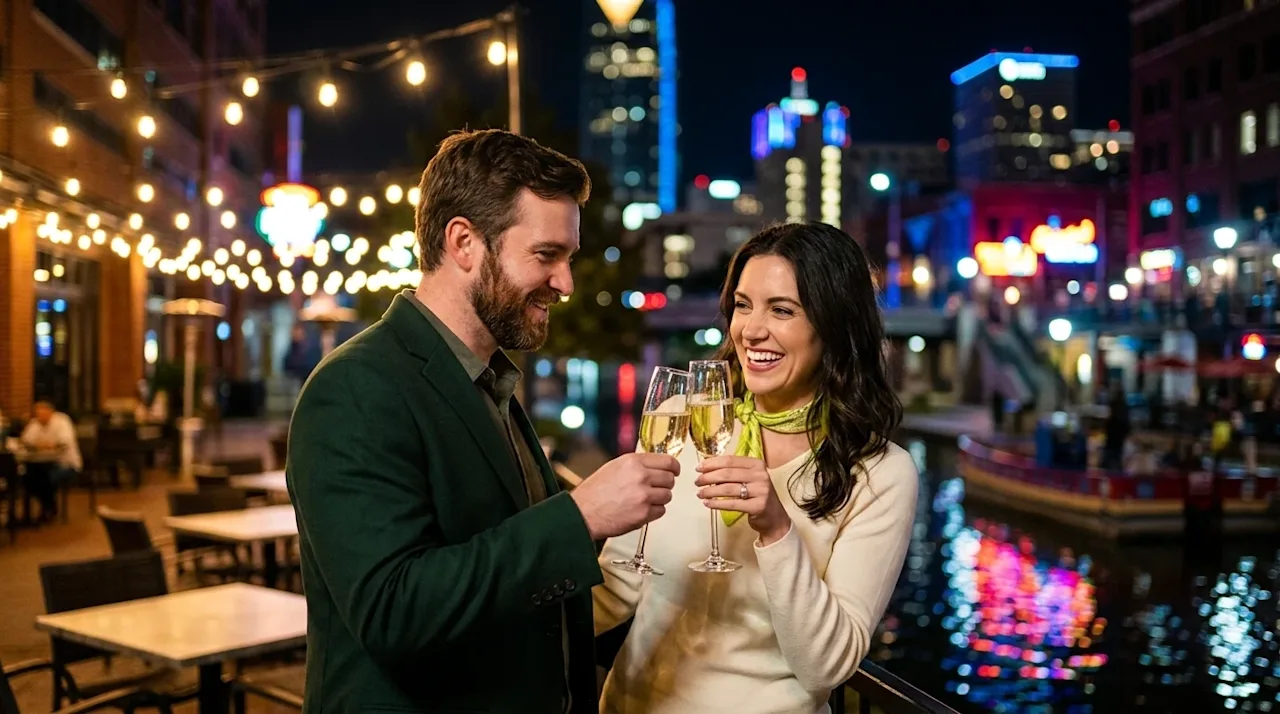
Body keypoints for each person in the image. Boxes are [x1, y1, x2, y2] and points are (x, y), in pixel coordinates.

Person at [286, 129, 679, 714]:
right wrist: (582, 516)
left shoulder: (489, 377)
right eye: (547, 255)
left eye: (568, 258)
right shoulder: (354, 387)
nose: (566, 283)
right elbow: (393, 610)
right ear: (464, 243)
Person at [594, 222, 919, 713]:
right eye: (742, 305)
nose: (751, 329)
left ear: (834, 324)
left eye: (782, 310)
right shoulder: (683, 421)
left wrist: (775, 527)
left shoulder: (881, 473)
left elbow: (828, 667)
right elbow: (616, 589)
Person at [20, 399, 82, 520]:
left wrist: (43, 445)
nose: (40, 417)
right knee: (27, 479)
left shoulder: (62, 421)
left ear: (51, 412)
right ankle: (46, 507)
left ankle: (48, 508)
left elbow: (64, 443)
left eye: (43, 413)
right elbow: (26, 441)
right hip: (38, 464)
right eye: (37, 414)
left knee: (46, 479)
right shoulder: (35, 423)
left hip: (65, 464)